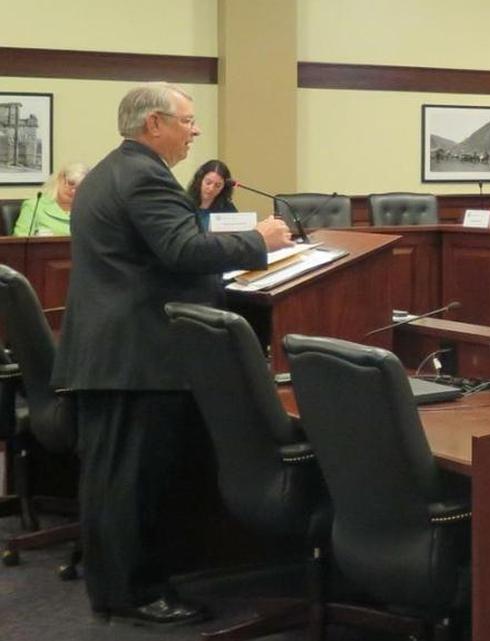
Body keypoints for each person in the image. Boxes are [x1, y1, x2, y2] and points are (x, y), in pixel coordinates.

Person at [51, 82, 293, 627]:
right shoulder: (143, 174)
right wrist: (260, 240)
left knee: (115, 478)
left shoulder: (113, 170)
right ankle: (133, 591)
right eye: (187, 120)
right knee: (130, 481)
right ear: (153, 124)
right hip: (135, 355)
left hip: (115, 352)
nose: (196, 131)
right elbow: (182, 249)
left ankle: (116, 583)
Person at [12, 162, 89, 236]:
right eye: (71, 184)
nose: (73, 191)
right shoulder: (34, 206)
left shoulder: (88, 210)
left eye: (79, 187)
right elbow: (21, 240)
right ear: (60, 179)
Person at [186, 159, 236, 231]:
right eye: (208, 183)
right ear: (200, 180)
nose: (211, 188)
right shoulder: (184, 203)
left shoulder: (228, 207)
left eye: (218, 185)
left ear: (224, 187)